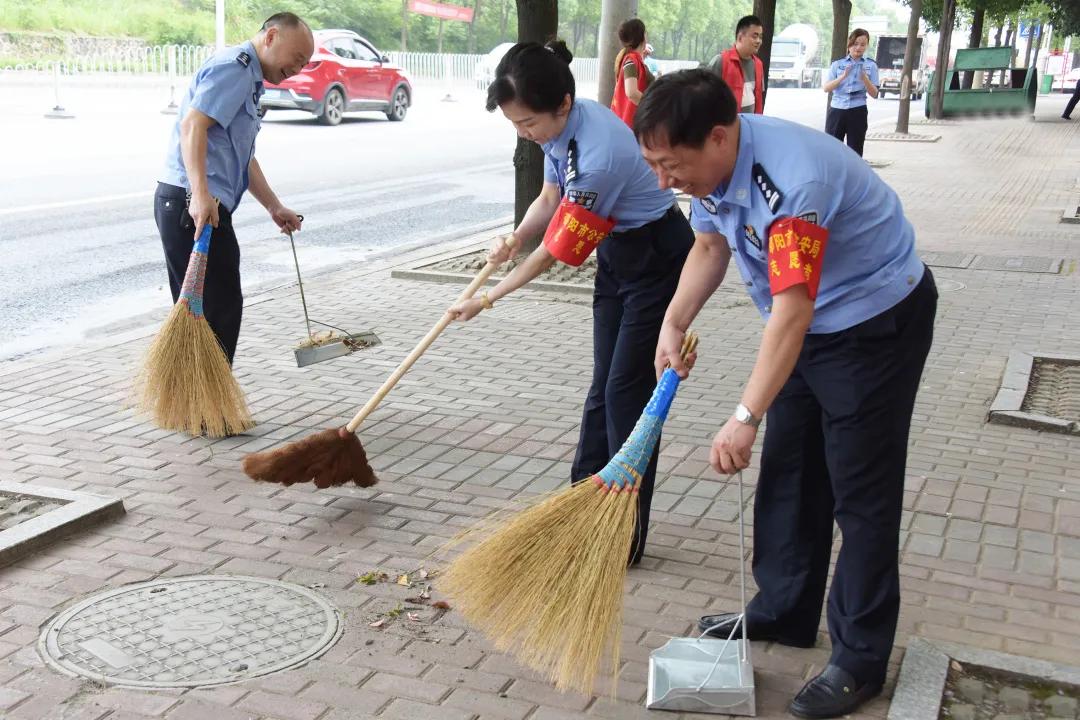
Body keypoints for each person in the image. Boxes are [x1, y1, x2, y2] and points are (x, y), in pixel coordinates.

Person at [633, 69, 937, 719]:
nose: (664, 182)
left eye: (670, 165)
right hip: (804, 322)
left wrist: (744, 414)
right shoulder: (712, 169)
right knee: (792, 468)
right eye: (653, 166)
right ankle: (784, 608)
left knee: (861, 489)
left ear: (718, 137)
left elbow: (792, 313)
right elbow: (710, 244)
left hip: (872, 324)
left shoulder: (796, 185)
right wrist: (674, 319)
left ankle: (859, 660)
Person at [449, 41, 693, 565]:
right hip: (618, 253)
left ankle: (621, 535)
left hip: (657, 258)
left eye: (529, 123)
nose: (525, 133)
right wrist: (513, 240)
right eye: (516, 125)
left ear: (563, 103)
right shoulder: (559, 130)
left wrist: (487, 299)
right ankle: (580, 506)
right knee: (602, 388)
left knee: (628, 394)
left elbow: (555, 254)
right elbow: (548, 200)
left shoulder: (599, 153)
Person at [156, 12, 312, 367]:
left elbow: (242, 156)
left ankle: (203, 413)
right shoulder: (235, 69)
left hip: (197, 201)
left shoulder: (249, 79)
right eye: (297, 59)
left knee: (210, 310)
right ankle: (209, 418)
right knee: (216, 309)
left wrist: (274, 206)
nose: (298, 69)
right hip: (192, 204)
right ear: (271, 36)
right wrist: (198, 194)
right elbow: (192, 126)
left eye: (305, 64)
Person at [823, 29, 879, 157]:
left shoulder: (871, 65)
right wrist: (842, 77)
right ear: (850, 44)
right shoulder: (837, 64)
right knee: (832, 149)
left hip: (858, 111)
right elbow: (826, 88)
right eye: (855, 43)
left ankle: (853, 177)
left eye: (863, 44)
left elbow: (875, 94)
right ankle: (833, 176)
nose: (858, 47)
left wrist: (865, 79)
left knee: (855, 150)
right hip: (837, 110)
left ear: (867, 46)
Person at [709, 15, 765, 114]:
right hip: (727, 125)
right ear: (740, 38)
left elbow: (758, 98)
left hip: (750, 124)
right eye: (754, 36)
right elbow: (705, 97)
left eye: (760, 37)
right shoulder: (721, 61)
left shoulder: (758, 64)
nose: (758, 41)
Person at [610, 18, 654, 127]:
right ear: (643, 36)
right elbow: (631, 93)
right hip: (630, 125)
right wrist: (653, 105)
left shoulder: (632, 59)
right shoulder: (631, 61)